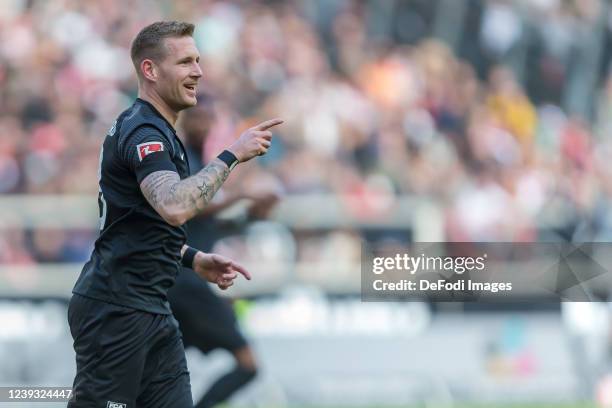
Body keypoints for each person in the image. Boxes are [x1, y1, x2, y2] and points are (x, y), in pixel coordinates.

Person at [67, 21, 283, 408]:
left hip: (152, 306)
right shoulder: (144, 133)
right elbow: (174, 205)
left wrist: (192, 257)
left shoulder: (160, 133)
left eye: (197, 61)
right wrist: (233, 154)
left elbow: (137, 222)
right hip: (117, 309)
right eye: (185, 62)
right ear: (150, 70)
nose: (198, 71)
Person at [168, 99, 278, 408]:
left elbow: (208, 225)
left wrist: (250, 215)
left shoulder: (196, 162)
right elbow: (190, 205)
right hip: (185, 281)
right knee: (248, 364)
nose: (201, 125)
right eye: (196, 118)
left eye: (207, 119)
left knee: (160, 369)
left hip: (185, 279)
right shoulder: (177, 158)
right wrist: (241, 195)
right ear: (182, 121)